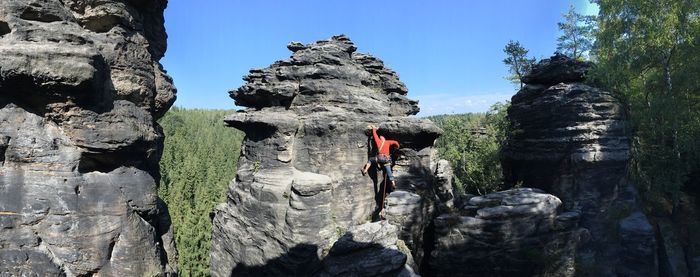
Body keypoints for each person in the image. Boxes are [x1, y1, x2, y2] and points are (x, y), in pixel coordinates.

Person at [368, 125, 400, 191]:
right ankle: (393, 182)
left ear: (380, 139)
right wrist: (398, 147)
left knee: (371, 160)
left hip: (379, 159)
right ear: (384, 139)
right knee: (389, 172)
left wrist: (373, 128)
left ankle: (376, 167)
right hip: (387, 159)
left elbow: (375, 135)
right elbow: (396, 142)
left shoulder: (378, 141)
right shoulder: (388, 142)